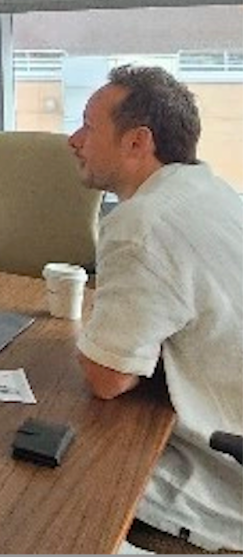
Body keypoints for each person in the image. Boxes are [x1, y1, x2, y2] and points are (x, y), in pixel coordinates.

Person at [67, 65, 242, 552]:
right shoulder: (209, 190)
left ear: (137, 143)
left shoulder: (142, 223)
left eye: (88, 125)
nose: (73, 139)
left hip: (219, 484)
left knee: (43, 481)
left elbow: (108, 379)